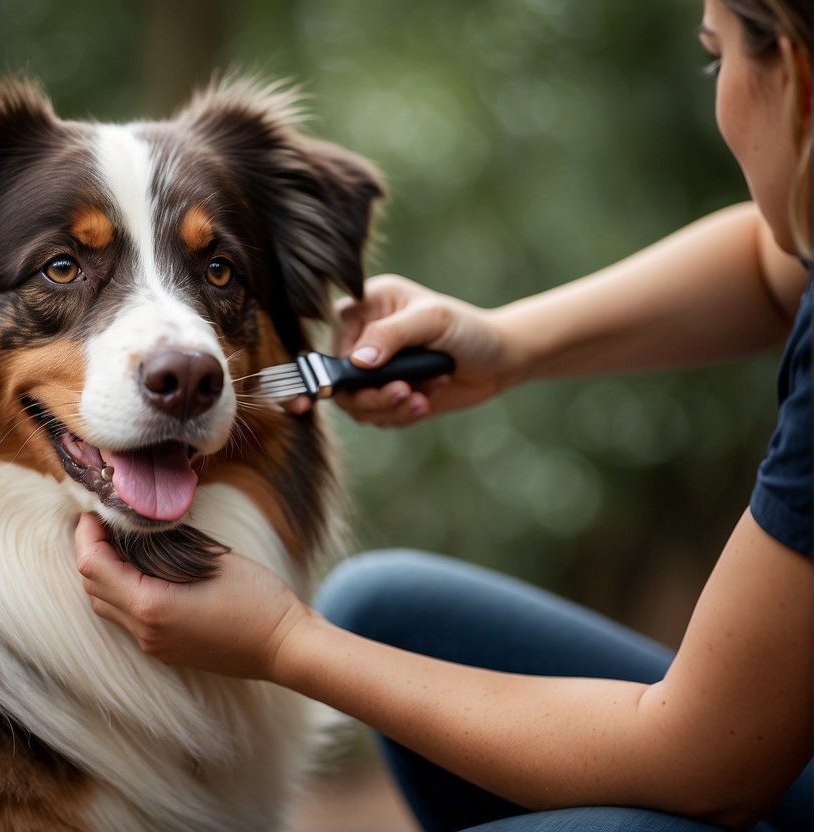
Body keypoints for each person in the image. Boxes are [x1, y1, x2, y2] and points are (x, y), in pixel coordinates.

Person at [75, 0, 813, 829]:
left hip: (714, 758)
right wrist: (508, 341)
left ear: (795, 79)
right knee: (387, 607)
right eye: (63, 266)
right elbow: (772, 261)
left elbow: (705, 763)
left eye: (717, 59)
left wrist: (284, 642)